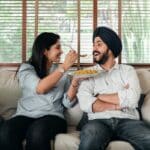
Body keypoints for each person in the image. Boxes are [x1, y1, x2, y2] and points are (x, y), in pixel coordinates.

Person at [0, 32, 80, 150]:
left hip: (53, 117)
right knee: (6, 131)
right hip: (25, 115)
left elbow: (67, 103)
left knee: (37, 132)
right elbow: (40, 88)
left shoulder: (61, 73)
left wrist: (74, 84)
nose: (62, 51)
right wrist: (64, 67)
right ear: (45, 51)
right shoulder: (27, 69)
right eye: (57, 47)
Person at [77, 26, 150, 150]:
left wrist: (98, 96)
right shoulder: (87, 73)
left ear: (110, 47)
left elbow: (132, 99)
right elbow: (85, 103)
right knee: (89, 141)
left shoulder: (127, 70)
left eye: (99, 44)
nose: (94, 49)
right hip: (98, 121)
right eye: (93, 45)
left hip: (128, 121)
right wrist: (120, 100)